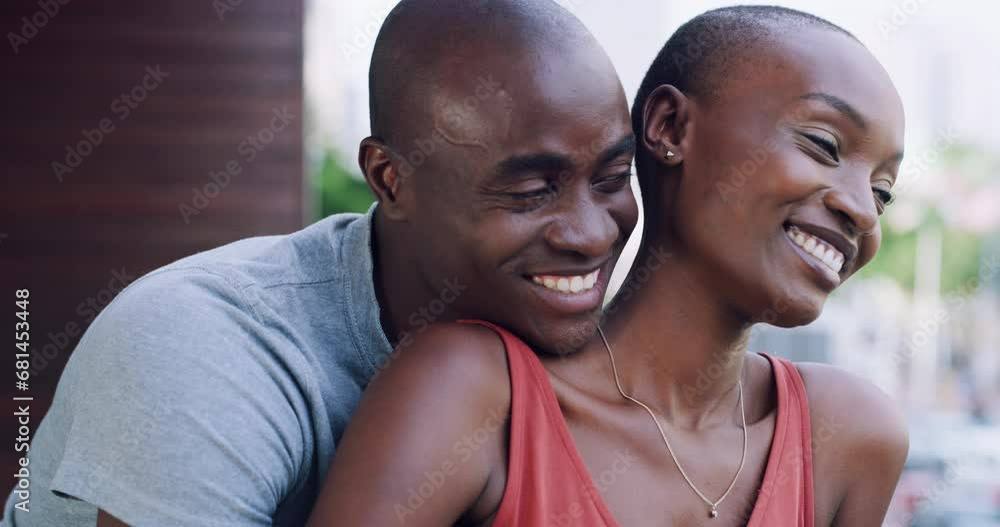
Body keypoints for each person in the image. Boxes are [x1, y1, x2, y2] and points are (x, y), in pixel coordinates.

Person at [1, 1, 638, 525]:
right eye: (530, 192)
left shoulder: (593, 353)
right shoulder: (209, 346)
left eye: (613, 177)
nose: (590, 234)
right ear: (392, 180)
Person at [308, 6, 908, 526]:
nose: (861, 209)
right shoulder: (472, 393)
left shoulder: (850, 437)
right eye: (824, 146)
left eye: (883, 192)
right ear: (670, 126)